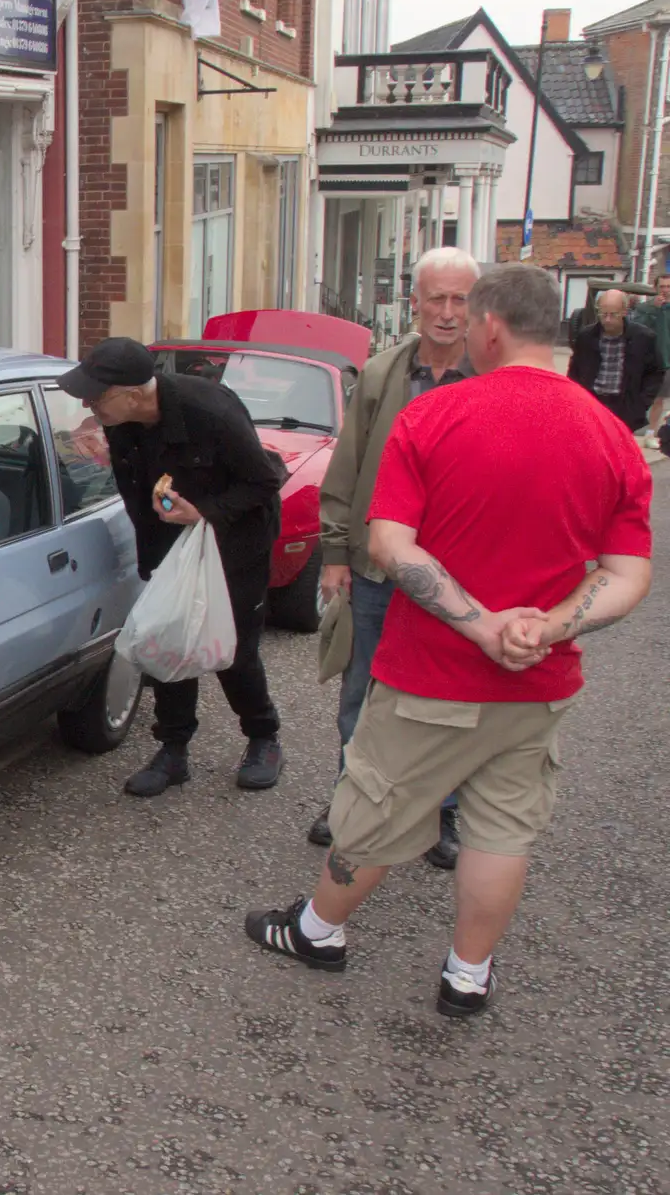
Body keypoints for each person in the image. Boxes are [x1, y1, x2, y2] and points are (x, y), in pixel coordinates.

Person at [244, 264, 653, 1017]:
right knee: (501, 830)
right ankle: (467, 973)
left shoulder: (434, 416)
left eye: (469, 317)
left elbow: (393, 547)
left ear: (490, 326)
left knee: (373, 809)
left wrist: (478, 624)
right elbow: (628, 574)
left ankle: (317, 931)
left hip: (431, 673)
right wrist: (546, 625)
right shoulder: (608, 432)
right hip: (540, 681)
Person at [309, 246, 481, 869]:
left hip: (461, 576)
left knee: (453, 698)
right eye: (436, 297)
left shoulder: (492, 378)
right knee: (363, 690)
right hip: (377, 566)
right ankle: (350, 801)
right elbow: (348, 465)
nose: (447, 311)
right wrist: (335, 553)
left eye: (460, 299)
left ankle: (443, 812)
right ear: (414, 304)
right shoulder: (383, 373)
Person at [60, 337, 287, 797]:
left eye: (96, 395)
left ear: (133, 392)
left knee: (234, 648)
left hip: (234, 539)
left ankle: (263, 737)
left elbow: (265, 480)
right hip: (170, 538)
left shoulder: (211, 412)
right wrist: (152, 562)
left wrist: (203, 512)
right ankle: (173, 750)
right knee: (167, 640)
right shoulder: (122, 421)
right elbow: (135, 492)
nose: (88, 404)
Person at [570, 289, 663, 431]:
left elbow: (655, 373)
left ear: (624, 312)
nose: (607, 319)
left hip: (624, 406)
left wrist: (641, 404)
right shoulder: (586, 336)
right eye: (603, 314)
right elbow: (574, 370)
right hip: (593, 403)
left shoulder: (643, 337)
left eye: (613, 314)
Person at [629, 271, 670, 443]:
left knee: (660, 399)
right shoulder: (645, 308)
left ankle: (653, 431)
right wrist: (653, 309)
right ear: (655, 288)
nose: (666, 290)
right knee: (649, 398)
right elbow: (637, 328)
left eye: (669, 287)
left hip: (668, 361)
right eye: (662, 286)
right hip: (652, 361)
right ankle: (642, 431)